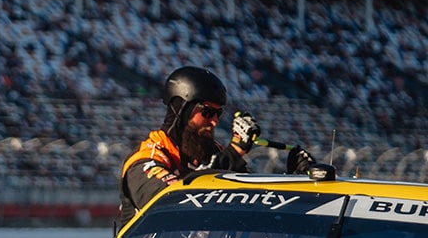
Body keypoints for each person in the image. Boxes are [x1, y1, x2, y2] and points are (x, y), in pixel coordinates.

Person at [118, 66, 316, 226]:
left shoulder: (213, 154)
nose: (214, 121)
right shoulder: (146, 158)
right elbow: (175, 204)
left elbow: (254, 207)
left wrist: (293, 183)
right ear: (182, 110)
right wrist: (233, 154)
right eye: (207, 112)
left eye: (218, 114)